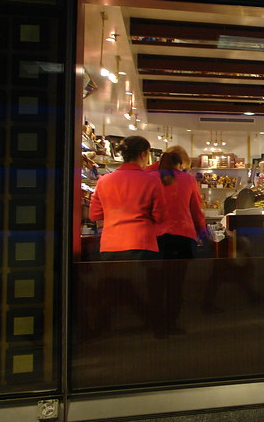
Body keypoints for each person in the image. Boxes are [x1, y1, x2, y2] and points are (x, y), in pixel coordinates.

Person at [147, 146, 207, 337]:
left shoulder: (148, 177)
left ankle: (157, 326)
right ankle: (171, 323)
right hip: (182, 238)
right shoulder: (188, 180)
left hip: (153, 238)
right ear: (180, 163)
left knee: (154, 285)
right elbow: (196, 212)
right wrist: (203, 233)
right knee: (175, 285)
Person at [89, 135, 165, 261]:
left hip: (110, 246)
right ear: (143, 154)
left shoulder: (103, 181)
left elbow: (94, 215)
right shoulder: (152, 181)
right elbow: (160, 216)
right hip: (142, 244)